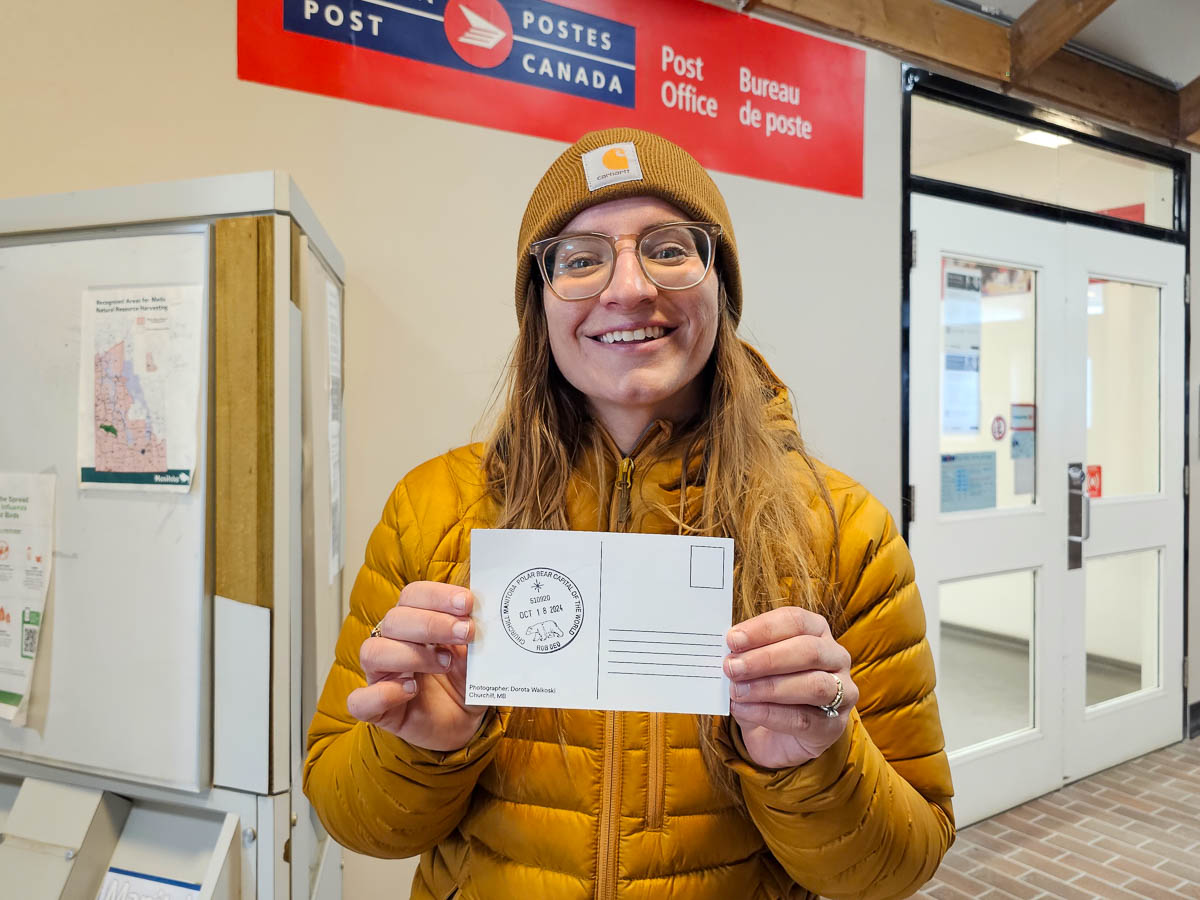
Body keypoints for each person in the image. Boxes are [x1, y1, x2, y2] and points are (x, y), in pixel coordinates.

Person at [304, 127, 955, 899]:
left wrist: (818, 762)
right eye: (580, 259)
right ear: (538, 306)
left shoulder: (847, 532)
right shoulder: (433, 508)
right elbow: (351, 818)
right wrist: (422, 748)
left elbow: (900, 866)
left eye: (669, 249)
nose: (629, 289)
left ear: (721, 283)